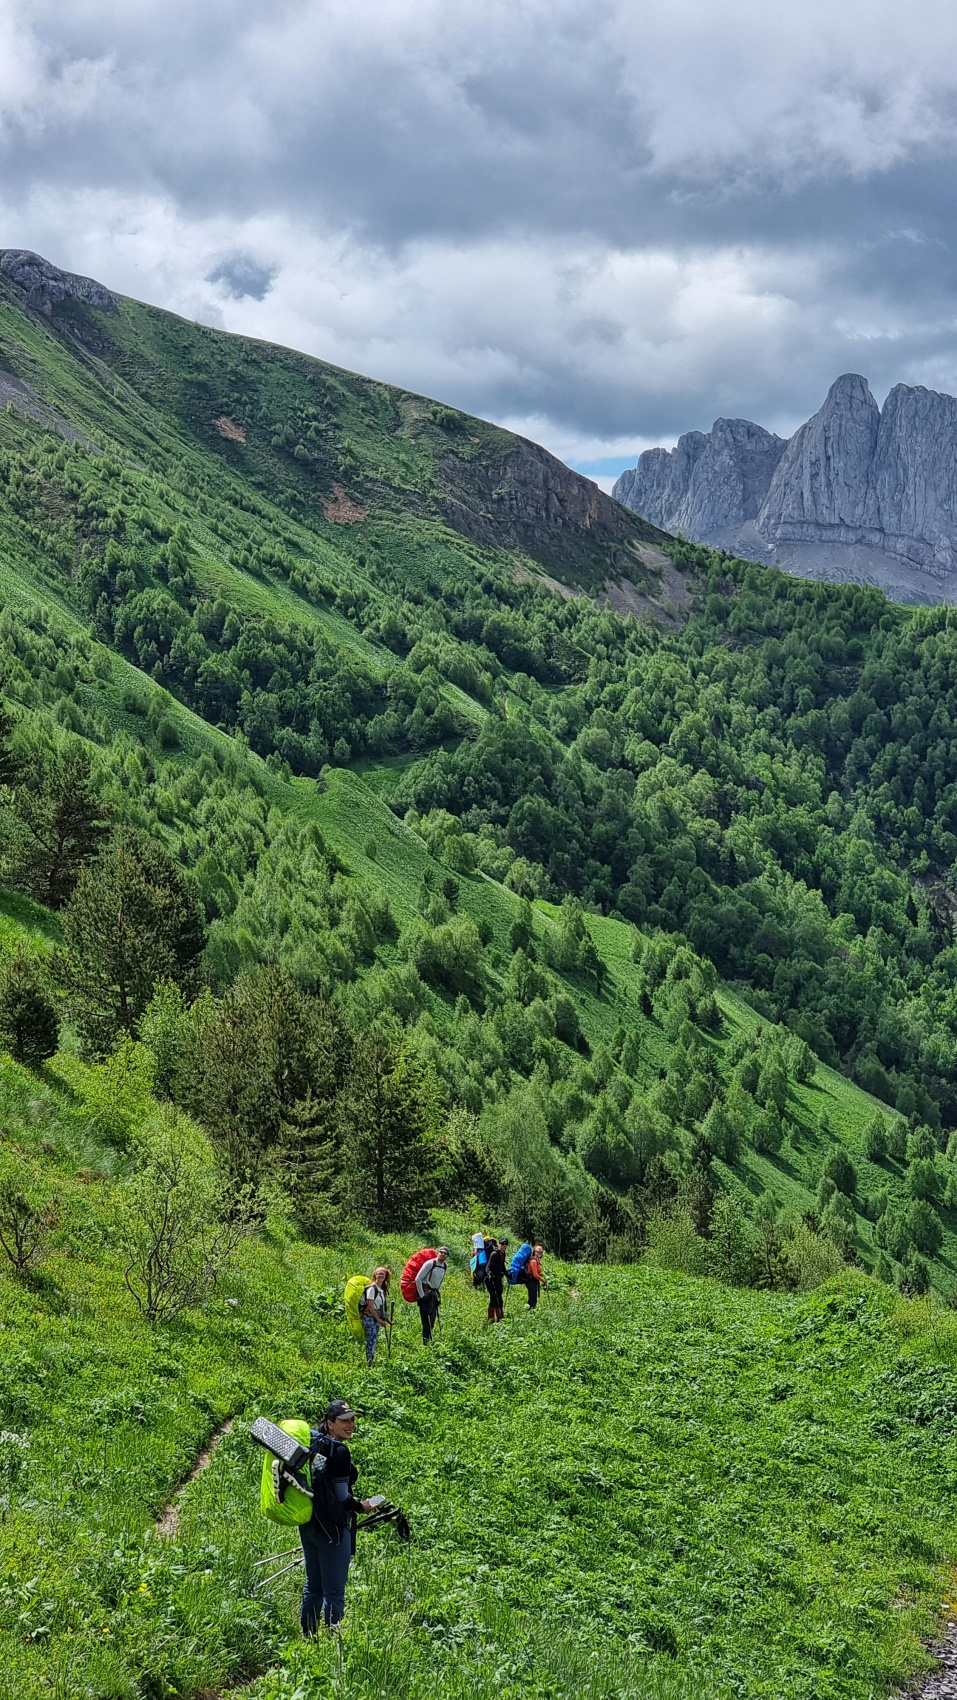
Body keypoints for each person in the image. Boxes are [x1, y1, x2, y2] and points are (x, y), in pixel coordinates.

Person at [299, 1400, 379, 1634]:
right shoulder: (340, 1451)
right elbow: (342, 1497)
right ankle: (334, 1644)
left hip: (308, 1524)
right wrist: (362, 1507)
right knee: (333, 1592)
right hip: (333, 1529)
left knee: (313, 1587)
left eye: (353, 1420)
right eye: (344, 1421)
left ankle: (309, 1638)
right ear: (330, 1423)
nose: (351, 1425)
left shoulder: (312, 1443)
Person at [414, 1246, 449, 1343]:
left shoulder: (445, 1266)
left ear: (447, 1256)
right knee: (426, 1320)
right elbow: (418, 1278)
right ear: (438, 1253)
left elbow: (440, 1281)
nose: (442, 1254)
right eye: (441, 1252)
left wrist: (437, 1292)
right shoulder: (430, 1263)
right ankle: (425, 1342)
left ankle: (428, 1341)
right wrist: (421, 1295)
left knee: (432, 1320)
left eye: (445, 1253)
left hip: (433, 1295)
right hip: (425, 1293)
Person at [361, 1266, 391, 1365]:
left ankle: (371, 1360)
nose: (381, 1275)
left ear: (386, 1276)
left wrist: (387, 1319)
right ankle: (370, 1362)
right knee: (371, 1340)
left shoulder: (382, 1289)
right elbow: (370, 1306)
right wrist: (379, 1320)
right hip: (369, 1318)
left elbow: (380, 1307)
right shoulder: (372, 1288)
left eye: (383, 1273)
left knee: (373, 1340)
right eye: (379, 1273)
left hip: (375, 1318)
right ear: (375, 1275)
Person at [485, 1237, 508, 1322]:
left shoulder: (503, 1254)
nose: (504, 1246)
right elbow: (488, 1267)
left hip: (498, 1279)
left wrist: (507, 1274)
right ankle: (492, 1319)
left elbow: (502, 1266)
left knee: (499, 1299)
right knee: (495, 1299)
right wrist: (489, 1274)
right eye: (502, 1244)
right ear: (499, 1244)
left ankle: (499, 1318)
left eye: (506, 1244)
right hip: (491, 1280)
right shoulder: (494, 1254)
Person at [525, 1244, 546, 1309]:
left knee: (532, 1298)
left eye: (541, 1252)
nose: (539, 1253)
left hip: (533, 1281)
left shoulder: (537, 1260)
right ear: (534, 1251)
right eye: (537, 1251)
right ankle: (530, 1312)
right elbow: (535, 1274)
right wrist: (543, 1280)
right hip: (531, 1281)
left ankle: (528, 1310)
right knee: (533, 1299)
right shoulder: (533, 1261)